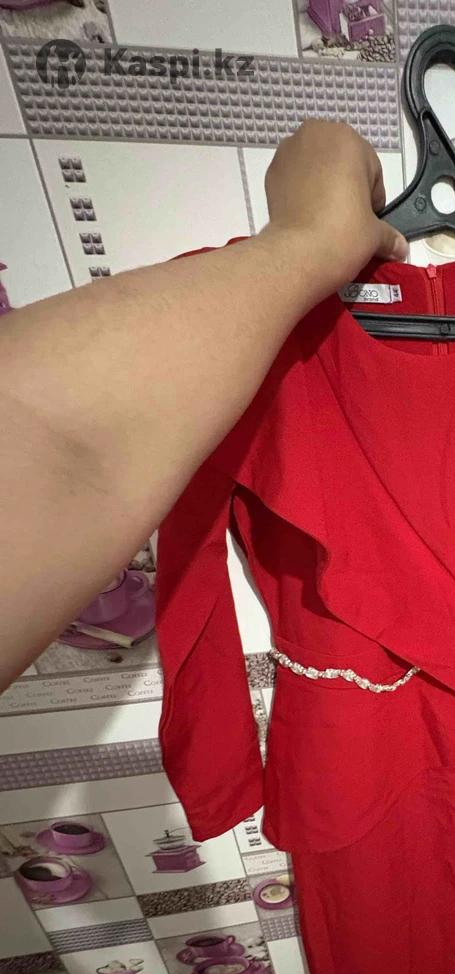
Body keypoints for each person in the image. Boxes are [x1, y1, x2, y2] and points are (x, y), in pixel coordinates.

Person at [0, 120, 408, 690]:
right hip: (343, 725)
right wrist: (304, 244)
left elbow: (61, 447)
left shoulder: (231, 324)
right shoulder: (242, 333)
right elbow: (69, 452)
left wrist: (304, 242)